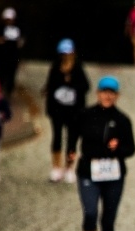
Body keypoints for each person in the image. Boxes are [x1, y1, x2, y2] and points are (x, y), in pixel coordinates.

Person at [75, 76, 135, 231]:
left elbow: (131, 148)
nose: (107, 96)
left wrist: (118, 148)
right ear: (98, 93)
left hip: (113, 175)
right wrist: (70, 152)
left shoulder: (122, 120)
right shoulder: (86, 115)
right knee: (90, 213)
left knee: (108, 220)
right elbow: (73, 135)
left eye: (112, 93)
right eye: (104, 92)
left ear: (117, 96)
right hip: (89, 171)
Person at [43, 38, 90, 183]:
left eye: (68, 53)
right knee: (57, 138)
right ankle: (56, 168)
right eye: (63, 53)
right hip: (57, 110)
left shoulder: (78, 68)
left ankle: (69, 168)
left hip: (74, 112)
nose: (66, 56)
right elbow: (50, 88)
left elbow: (86, 87)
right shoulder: (55, 68)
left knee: (72, 141)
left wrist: (72, 85)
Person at [0, 7, 24, 97]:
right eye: (7, 19)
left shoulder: (18, 28)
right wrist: (0, 40)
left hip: (13, 56)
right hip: (0, 56)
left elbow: (21, 41)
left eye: (11, 19)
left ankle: (8, 93)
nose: (9, 21)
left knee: (11, 76)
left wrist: (19, 42)